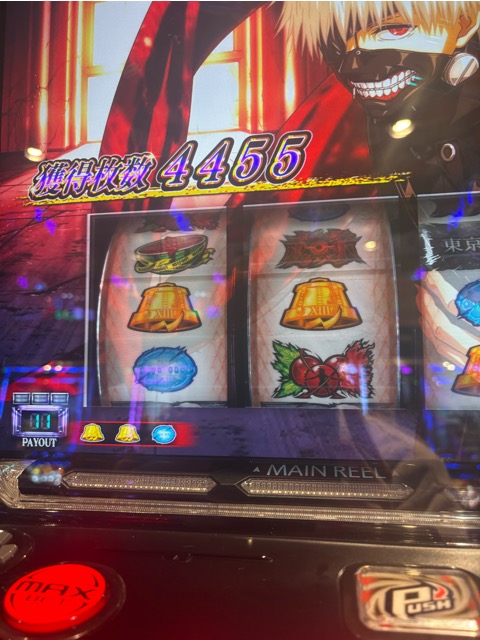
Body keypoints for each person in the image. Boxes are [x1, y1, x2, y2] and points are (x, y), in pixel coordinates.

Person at [280, 1, 480, 195]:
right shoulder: (369, 128)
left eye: (394, 30)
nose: (351, 66)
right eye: (335, 42)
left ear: (465, 22)